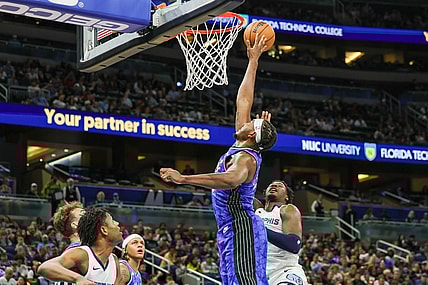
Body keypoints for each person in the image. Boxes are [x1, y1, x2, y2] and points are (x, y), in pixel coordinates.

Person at [160, 34, 277, 285]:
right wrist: (253, 61)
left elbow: (231, 179)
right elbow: (243, 100)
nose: (245, 121)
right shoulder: (241, 143)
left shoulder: (246, 158)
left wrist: (184, 179)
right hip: (230, 228)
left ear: (252, 135)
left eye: (250, 123)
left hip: (241, 227)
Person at [37, 208, 123, 285]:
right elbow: (44, 267)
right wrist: (78, 279)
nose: (117, 223)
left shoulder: (113, 260)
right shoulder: (81, 252)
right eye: (83, 214)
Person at [254, 181, 308, 285]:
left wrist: (261, 230)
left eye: (280, 186)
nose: (274, 186)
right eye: (271, 185)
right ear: (265, 193)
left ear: (286, 197)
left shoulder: (287, 209)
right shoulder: (257, 210)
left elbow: (294, 244)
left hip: (284, 271)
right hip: (260, 273)